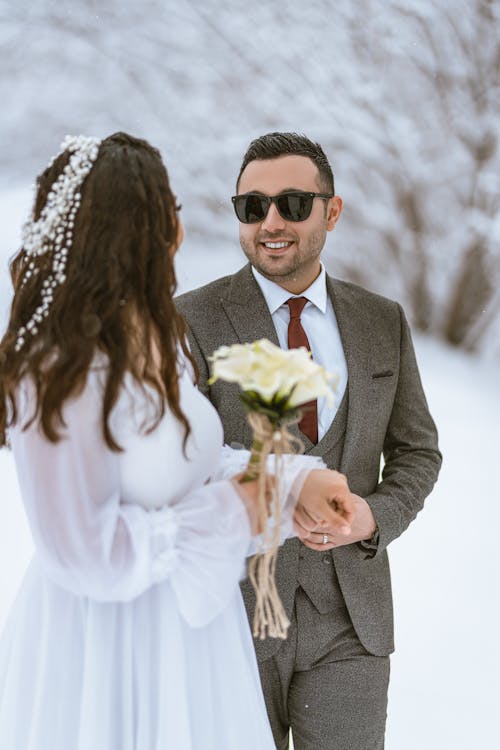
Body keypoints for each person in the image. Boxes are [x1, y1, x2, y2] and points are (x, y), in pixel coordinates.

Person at [0, 132, 357, 750]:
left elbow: (180, 466)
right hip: (108, 651)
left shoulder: (156, 334)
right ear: (130, 228)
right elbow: (81, 551)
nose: (180, 229)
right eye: (170, 211)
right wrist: (237, 508)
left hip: (191, 640)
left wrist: (293, 481)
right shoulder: (57, 364)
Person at [176, 131, 443, 750]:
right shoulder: (189, 320)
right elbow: (178, 463)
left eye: (293, 204)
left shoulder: (382, 320)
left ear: (332, 210)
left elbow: (417, 451)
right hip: (229, 616)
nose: (271, 222)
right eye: (252, 207)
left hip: (352, 618)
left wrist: (376, 516)